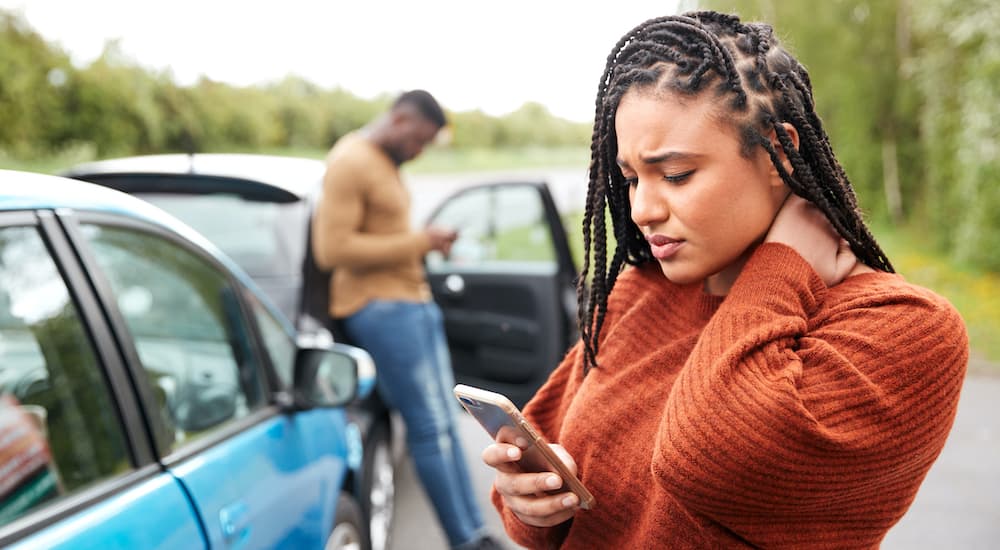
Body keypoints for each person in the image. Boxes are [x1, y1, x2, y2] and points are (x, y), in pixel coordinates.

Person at [481, 11, 969, 549]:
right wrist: (535, 508)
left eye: (675, 175)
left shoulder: (904, 329)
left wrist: (782, 264)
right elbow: (538, 470)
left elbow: (709, 460)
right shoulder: (641, 292)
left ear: (777, 151)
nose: (642, 208)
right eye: (630, 178)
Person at [311, 90, 500, 550]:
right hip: (380, 307)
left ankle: (477, 532)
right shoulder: (351, 160)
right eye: (418, 140)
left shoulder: (384, 163)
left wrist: (422, 245)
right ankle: (465, 541)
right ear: (399, 119)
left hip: (412, 303)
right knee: (430, 429)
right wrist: (420, 242)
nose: (419, 152)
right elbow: (331, 250)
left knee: (449, 425)